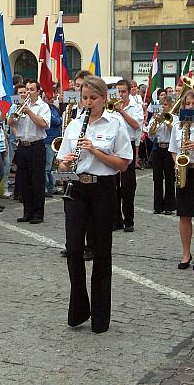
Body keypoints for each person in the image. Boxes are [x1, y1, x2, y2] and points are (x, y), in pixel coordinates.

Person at [56, 76, 133, 333]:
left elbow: (123, 163)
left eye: (93, 98)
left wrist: (95, 150)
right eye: (84, 98)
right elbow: (61, 163)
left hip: (103, 189)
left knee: (101, 251)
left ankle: (101, 316)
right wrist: (65, 163)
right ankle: (79, 307)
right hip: (77, 188)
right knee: (74, 248)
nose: (88, 103)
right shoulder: (74, 124)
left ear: (103, 99)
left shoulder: (115, 124)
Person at [168, 90, 194, 271]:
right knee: (184, 215)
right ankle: (186, 253)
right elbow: (173, 149)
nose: (191, 107)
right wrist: (178, 164)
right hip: (185, 170)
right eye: (187, 104)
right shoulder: (178, 124)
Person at [8, 80, 51, 224]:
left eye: (32, 89)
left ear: (38, 91)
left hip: (36, 146)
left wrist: (30, 112)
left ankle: (38, 213)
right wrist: (15, 113)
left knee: (37, 181)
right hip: (22, 146)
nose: (28, 92)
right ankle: (27, 212)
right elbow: (11, 123)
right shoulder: (19, 106)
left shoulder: (43, 107)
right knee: (24, 181)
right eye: (26, 89)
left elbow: (44, 124)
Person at [114, 79, 144, 232]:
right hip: (114, 147)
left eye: (123, 92)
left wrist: (121, 111)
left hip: (129, 146)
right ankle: (116, 220)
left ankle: (129, 220)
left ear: (128, 92)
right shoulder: (111, 106)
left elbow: (136, 125)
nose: (120, 95)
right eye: (118, 92)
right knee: (113, 185)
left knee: (128, 185)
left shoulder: (136, 107)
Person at [148, 95, 176, 215]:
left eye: (165, 105)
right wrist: (155, 123)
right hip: (157, 149)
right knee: (157, 178)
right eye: (162, 105)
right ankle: (158, 206)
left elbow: (175, 133)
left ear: (170, 106)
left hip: (169, 149)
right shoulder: (155, 118)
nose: (163, 107)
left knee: (170, 178)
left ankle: (169, 206)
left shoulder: (174, 117)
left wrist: (167, 122)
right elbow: (150, 134)